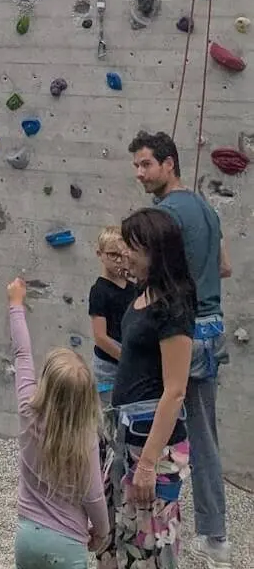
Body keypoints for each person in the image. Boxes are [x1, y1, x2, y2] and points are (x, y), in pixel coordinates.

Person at [130, 130, 231, 569]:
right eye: (136, 165)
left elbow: (165, 276)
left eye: (146, 164)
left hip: (179, 330)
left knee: (155, 423)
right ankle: (214, 535)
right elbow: (223, 266)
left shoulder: (167, 213)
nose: (139, 173)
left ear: (169, 163)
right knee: (201, 436)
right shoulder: (206, 208)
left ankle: (158, 519)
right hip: (210, 327)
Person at [104, 208, 196, 569]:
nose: (125, 253)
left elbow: (175, 391)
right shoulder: (142, 293)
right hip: (127, 434)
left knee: (152, 542)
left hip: (155, 446)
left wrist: (147, 465)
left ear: (156, 253)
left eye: (133, 247)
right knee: (124, 536)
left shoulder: (173, 306)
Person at [7, 276, 110, 568]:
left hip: (27, 536)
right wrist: (101, 532)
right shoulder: (85, 438)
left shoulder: (28, 410)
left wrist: (16, 304)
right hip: (66, 545)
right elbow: (93, 495)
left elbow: (22, 353)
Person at [89, 226, 135, 401]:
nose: (118, 261)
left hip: (128, 359)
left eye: (123, 255)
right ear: (99, 254)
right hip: (108, 366)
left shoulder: (133, 288)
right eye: (112, 255)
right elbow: (100, 337)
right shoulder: (99, 291)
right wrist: (128, 360)